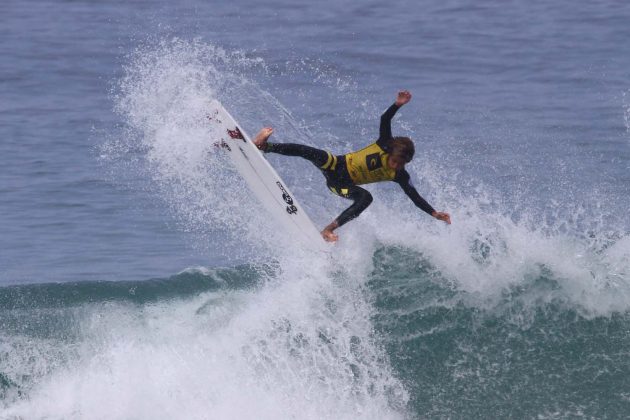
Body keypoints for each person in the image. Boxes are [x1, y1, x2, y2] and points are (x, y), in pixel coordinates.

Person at [253, 90, 451, 242]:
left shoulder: (400, 175)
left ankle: (329, 229)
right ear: (390, 152)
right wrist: (397, 104)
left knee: (365, 197)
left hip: (341, 185)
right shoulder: (384, 143)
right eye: (395, 161)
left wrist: (433, 213)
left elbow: (414, 196)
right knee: (312, 152)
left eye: (402, 164)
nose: (397, 166)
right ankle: (264, 146)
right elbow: (385, 119)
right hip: (337, 164)